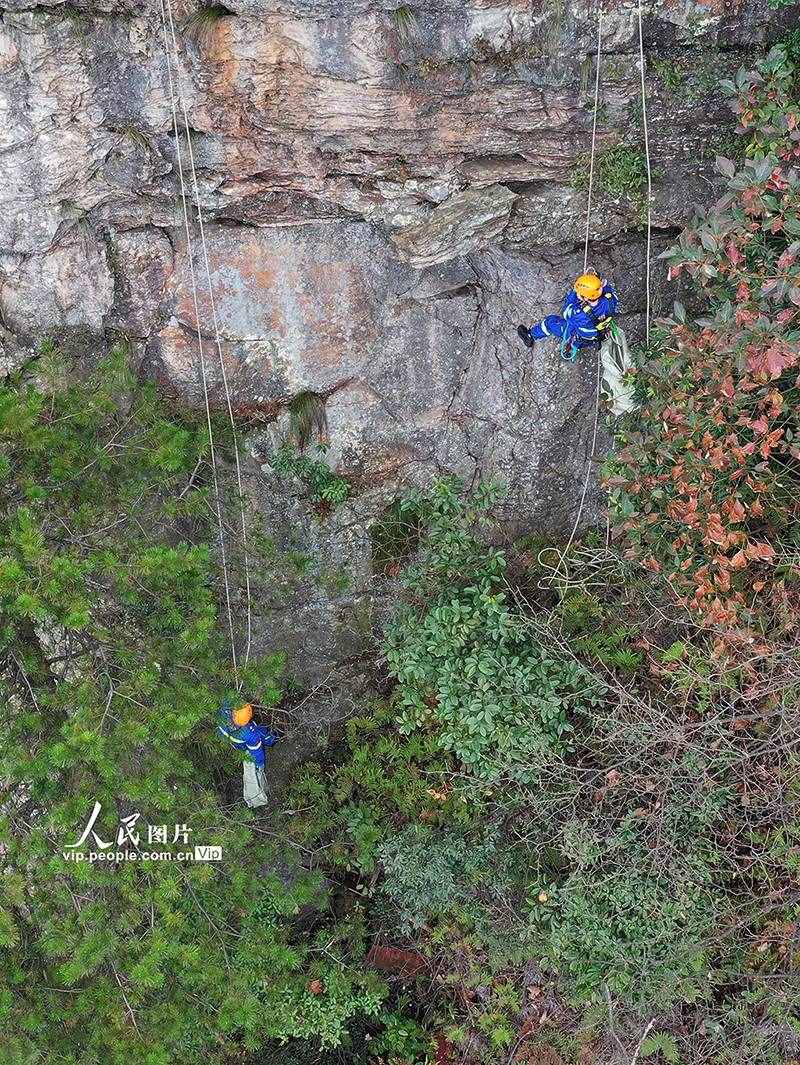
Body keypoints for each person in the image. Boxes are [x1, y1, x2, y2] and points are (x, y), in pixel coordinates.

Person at [517, 272, 619, 361]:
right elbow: (607, 289)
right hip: (597, 333)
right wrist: (595, 283)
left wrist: (575, 294)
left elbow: (566, 312)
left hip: (580, 337)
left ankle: (530, 336)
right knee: (585, 326)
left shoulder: (579, 314)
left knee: (550, 322)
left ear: (585, 298)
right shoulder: (610, 300)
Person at [217, 701, 278, 807]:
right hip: (242, 747)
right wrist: (260, 765)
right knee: (264, 734)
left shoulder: (222, 712)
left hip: (228, 742)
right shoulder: (249, 734)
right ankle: (275, 737)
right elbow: (256, 753)